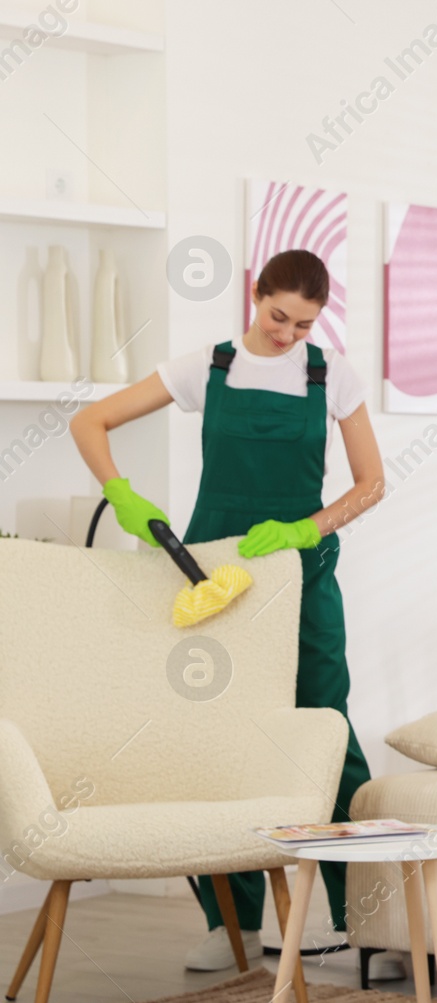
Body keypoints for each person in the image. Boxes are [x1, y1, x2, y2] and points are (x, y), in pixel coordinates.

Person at [69, 249, 389, 973]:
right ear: (256, 294)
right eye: (278, 316)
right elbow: (90, 422)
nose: (287, 334)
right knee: (215, 734)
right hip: (211, 573)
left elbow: (372, 483)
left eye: (304, 324)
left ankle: (364, 922)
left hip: (302, 576)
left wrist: (310, 527)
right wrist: (121, 492)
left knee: (325, 731)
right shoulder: (205, 368)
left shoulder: (331, 374)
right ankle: (234, 921)